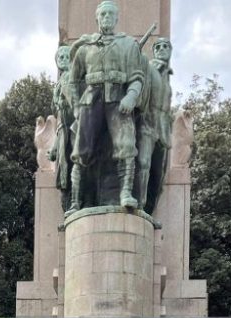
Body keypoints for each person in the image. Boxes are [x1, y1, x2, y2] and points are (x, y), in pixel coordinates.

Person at [66, 0, 148, 211]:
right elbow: (73, 81)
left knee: (126, 146)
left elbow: (137, 77)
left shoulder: (127, 45)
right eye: (103, 14)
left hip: (117, 99)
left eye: (111, 14)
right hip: (90, 100)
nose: (107, 18)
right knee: (80, 151)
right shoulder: (85, 48)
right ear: (97, 18)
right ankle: (75, 200)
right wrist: (76, 107)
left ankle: (125, 193)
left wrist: (131, 96)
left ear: (117, 18)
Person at [137, 37, 173, 215]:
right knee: (143, 164)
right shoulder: (149, 68)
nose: (162, 49)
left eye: (166, 46)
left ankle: (148, 214)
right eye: (158, 46)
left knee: (158, 177)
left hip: (163, 131)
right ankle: (139, 206)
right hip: (147, 126)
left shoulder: (167, 74)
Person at [50, 44, 75, 211]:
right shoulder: (58, 84)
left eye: (67, 56)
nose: (64, 60)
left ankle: (75, 202)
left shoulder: (74, 79)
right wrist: (53, 148)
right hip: (62, 133)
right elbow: (58, 121)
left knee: (75, 166)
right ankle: (67, 209)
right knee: (63, 170)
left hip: (75, 129)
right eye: (61, 57)